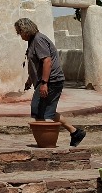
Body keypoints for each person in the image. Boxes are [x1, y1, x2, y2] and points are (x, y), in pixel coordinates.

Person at [14, 17, 86, 147]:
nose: (20, 35)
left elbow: (47, 61)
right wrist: (30, 80)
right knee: (47, 111)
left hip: (52, 80)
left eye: (20, 32)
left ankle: (47, 142)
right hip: (48, 80)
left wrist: (44, 83)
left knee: (38, 110)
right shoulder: (33, 41)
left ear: (26, 30)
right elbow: (36, 64)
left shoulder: (38, 40)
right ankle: (74, 132)